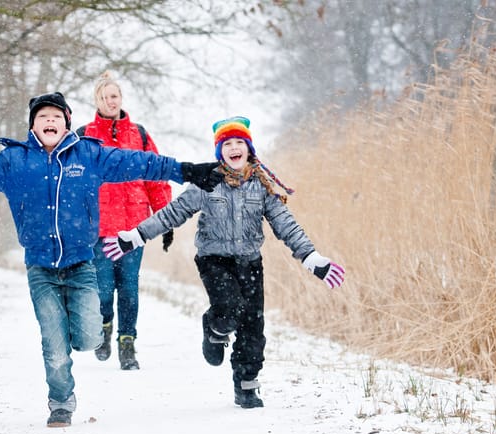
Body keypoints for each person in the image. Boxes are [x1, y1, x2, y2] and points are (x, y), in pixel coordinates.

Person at [0, 91, 223, 427]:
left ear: (67, 124)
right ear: (33, 125)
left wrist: (185, 170)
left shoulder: (89, 156)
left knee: (88, 338)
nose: (50, 121)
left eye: (56, 116)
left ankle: (76, 328)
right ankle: (61, 402)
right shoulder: (14, 162)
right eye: (43, 117)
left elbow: (139, 163)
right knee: (54, 346)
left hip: (81, 265)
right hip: (41, 268)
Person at [102, 115, 345, 409]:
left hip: (250, 262)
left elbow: (285, 224)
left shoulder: (262, 185)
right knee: (229, 308)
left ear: (249, 148)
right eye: (227, 144)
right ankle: (214, 328)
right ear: (220, 151)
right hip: (213, 260)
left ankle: (246, 385)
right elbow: (173, 213)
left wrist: (311, 257)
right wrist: (137, 236)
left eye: (239, 143)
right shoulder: (208, 182)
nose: (233, 148)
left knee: (252, 326)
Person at [76, 72, 172, 370]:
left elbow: (156, 176)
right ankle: (104, 327)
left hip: (134, 227)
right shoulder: (84, 135)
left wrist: (164, 220)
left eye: (114, 96)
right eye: (104, 97)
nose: (110, 101)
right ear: (97, 101)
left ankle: (127, 344)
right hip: (99, 228)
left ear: (121, 98)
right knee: (103, 288)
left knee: (129, 288)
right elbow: (72, 182)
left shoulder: (138, 134)